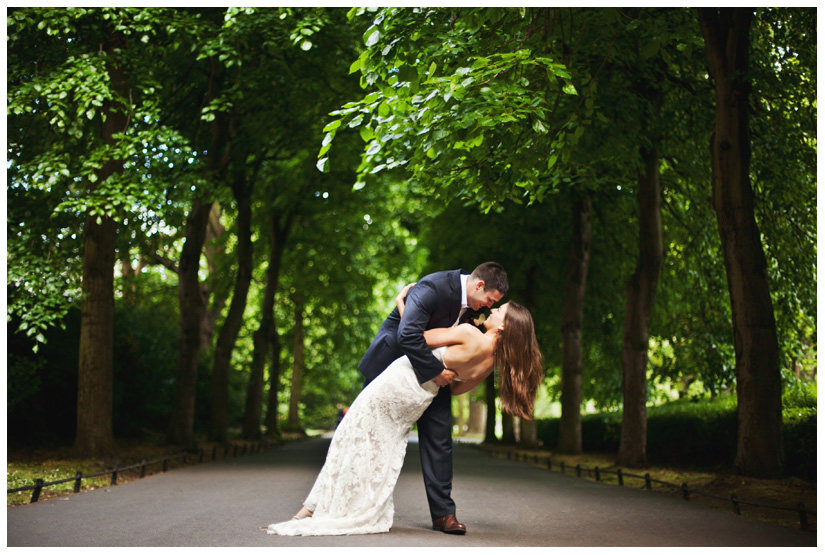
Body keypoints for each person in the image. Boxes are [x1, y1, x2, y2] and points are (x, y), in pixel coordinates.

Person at [266, 289, 543, 537]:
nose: (492, 310)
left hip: (396, 383)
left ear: (505, 326)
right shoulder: (490, 364)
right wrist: (442, 375)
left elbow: (413, 337)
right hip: (419, 397)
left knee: (350, 435)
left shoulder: (469, 333)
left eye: (499, 310)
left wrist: (401, 304)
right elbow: (456, 390)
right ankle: (327, 507)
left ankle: (317, 508)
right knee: (379, 447)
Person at [358, 262, 509, 535]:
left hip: (433, 377)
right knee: (372, 438)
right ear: (478, 285)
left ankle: (444, 515)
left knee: (440, 441)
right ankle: (356, 502)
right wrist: (437, 371)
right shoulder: (433, 287)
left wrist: (444, 375)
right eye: (489, 300)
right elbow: (407, 334)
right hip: (394, 369)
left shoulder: (473, 314)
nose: (487, 307)